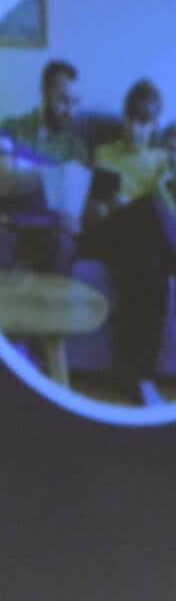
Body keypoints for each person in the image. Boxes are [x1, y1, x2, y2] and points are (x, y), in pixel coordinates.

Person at [83, 79, 176, 405]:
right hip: (109, 231)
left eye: (144, 122)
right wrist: (100, 206)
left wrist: (163, 186)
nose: (135, 129)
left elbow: (172, 213)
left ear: (154, 125)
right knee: (147, 209)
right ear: (123, 116)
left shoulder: (162, 162)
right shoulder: (103, 153)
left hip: (143, 246)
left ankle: (139, 377)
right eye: (131, 119)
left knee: (150, 265)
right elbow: (90, 209)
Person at [0, 59, 92, 272]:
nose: (70, 111)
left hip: (52, 232)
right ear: (44, 91)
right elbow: (4, 183)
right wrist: (54, 173)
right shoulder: (11, 128)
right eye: (63, 100)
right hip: (9, 224)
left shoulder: (77, 149)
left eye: (75, 102)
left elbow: (78, 210)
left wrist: (77, 222)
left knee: (61, 248)